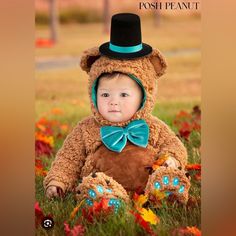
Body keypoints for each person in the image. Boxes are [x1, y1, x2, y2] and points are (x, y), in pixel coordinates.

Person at [44, 13, 190, 204]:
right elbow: (68, 159)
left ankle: (164, 190)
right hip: (106, 184)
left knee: (163, 177)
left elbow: (173, 144)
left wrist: (172, 159)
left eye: (124, 95)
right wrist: (57, 182)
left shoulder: (153, 126)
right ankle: (104, 199)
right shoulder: (86, 129)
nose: (113, 102)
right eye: (105, 95)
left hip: (147, 186)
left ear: (144, 97)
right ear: (94, 94)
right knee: (98, 187)